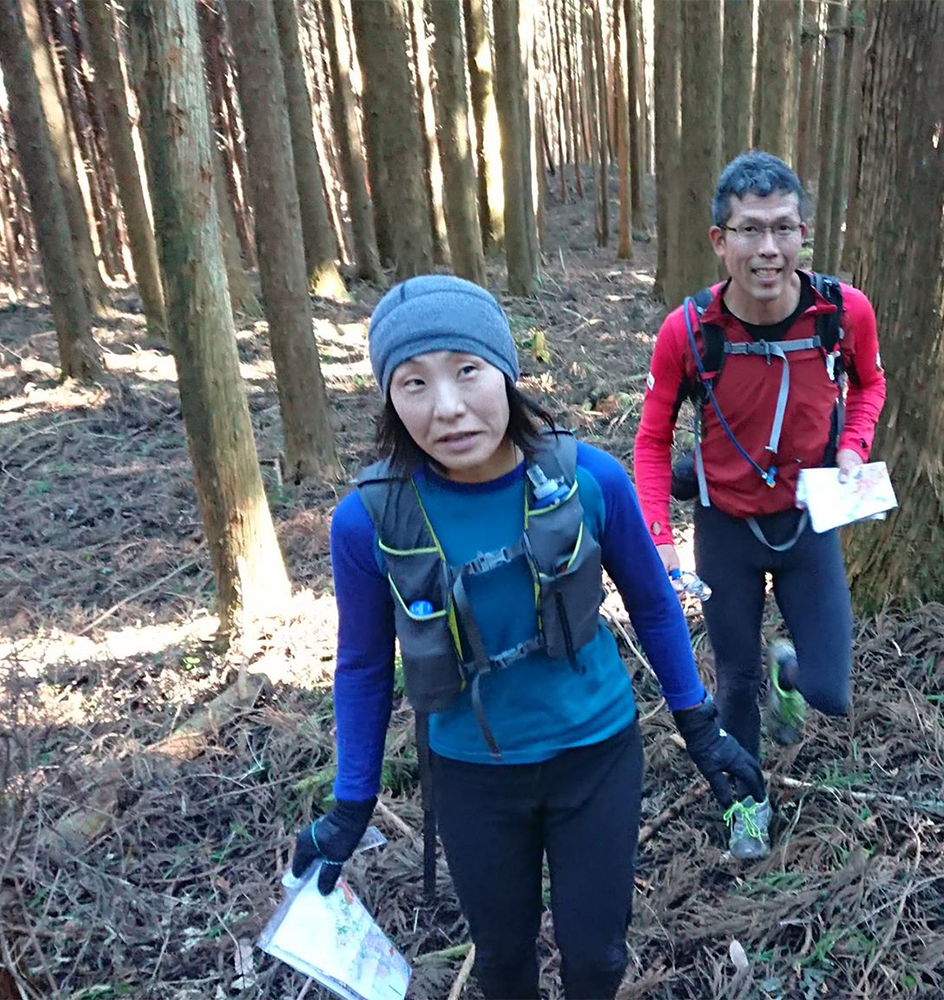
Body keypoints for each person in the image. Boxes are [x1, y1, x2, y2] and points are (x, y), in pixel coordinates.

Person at [290, 275, 762, 1000]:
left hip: (596, 758)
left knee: (598, 958)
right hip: (470, 774)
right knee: (504, 961)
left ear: (506, 372)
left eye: (467, 371)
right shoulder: (367, 521)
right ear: (389, 398)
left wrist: (699, 725)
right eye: (413, 383)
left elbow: (655, 607)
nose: (446, 407)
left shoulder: (592, 481)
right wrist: (351, 804)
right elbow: (360, 668)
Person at [633, 152, 887, 860]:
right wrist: (660, 538)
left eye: (782, 229)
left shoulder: (843, 311)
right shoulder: (688, 331)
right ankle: (746, 805)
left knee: (833, 691)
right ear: (720, 241)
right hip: (725, 529)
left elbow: (869, 384)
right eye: (749, 230)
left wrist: (853, 445)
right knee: (734, 682)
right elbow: (652, 441)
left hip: (809, 521)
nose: (767, 249)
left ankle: (794, 672)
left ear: (803, 233)